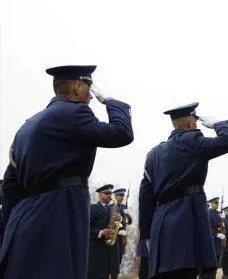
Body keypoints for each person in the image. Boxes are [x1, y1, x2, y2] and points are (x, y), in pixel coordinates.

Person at [0, 65, 134, 279]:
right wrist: (110, 101)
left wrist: (7, 233)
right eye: (88, 89)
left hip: (22, 217)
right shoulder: (74, 112)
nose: (91, 96)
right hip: (60, 211)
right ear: (78, 87)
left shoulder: (27, 126)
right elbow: (122, 133)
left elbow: (9, 186)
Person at [138, 102, 228, 279]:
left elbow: (145, 197)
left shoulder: (153, 154)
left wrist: (146, 234)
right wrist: (218, 124)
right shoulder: (193, 141)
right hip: (186, 220)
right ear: (191, 123)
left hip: (160, 225)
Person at [88, 184, 125, 279]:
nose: (109, 195)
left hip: (113, 251)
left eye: (110, 193)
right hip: (98, 250)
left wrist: (120, 219)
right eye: (106, 193)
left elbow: (123, 226)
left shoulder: (114, 209)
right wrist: (100, 232)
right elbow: (86, 228)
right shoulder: (92, 208)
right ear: (100, 195)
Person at [113, 187, 132, 266]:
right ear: (116, 196)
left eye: (123, 196)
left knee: (119, 260)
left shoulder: (124, 207)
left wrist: (127, 214)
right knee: (113, 259)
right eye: (120, 195)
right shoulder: (112, 206)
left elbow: (129, 222)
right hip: (114, 235)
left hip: (122, 236)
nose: (122, 197)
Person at [207, 197, 226, 275]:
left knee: (216, 262)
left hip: (218, 241)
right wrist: (216, 234)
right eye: (215, 203)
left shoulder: (219, 213)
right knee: (210, 264)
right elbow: (207, 227)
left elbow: (221, 225)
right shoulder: (208, 213)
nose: (217, 204)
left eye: (217, 203)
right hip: (212, 240)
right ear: (211, 204)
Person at [221, 205, 228, 279]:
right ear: (224, 211)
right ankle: (225, 274)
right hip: (224, 240)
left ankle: (227, 273)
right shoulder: (222, 219)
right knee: (224, 258)